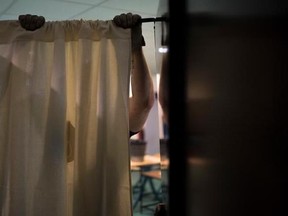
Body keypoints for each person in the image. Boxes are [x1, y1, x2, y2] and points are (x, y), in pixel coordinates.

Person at [18, 13, 154, 137]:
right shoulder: (49, 112)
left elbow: (143, 103)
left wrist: (135, 46)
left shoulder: (108, 114)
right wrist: (28, 43)